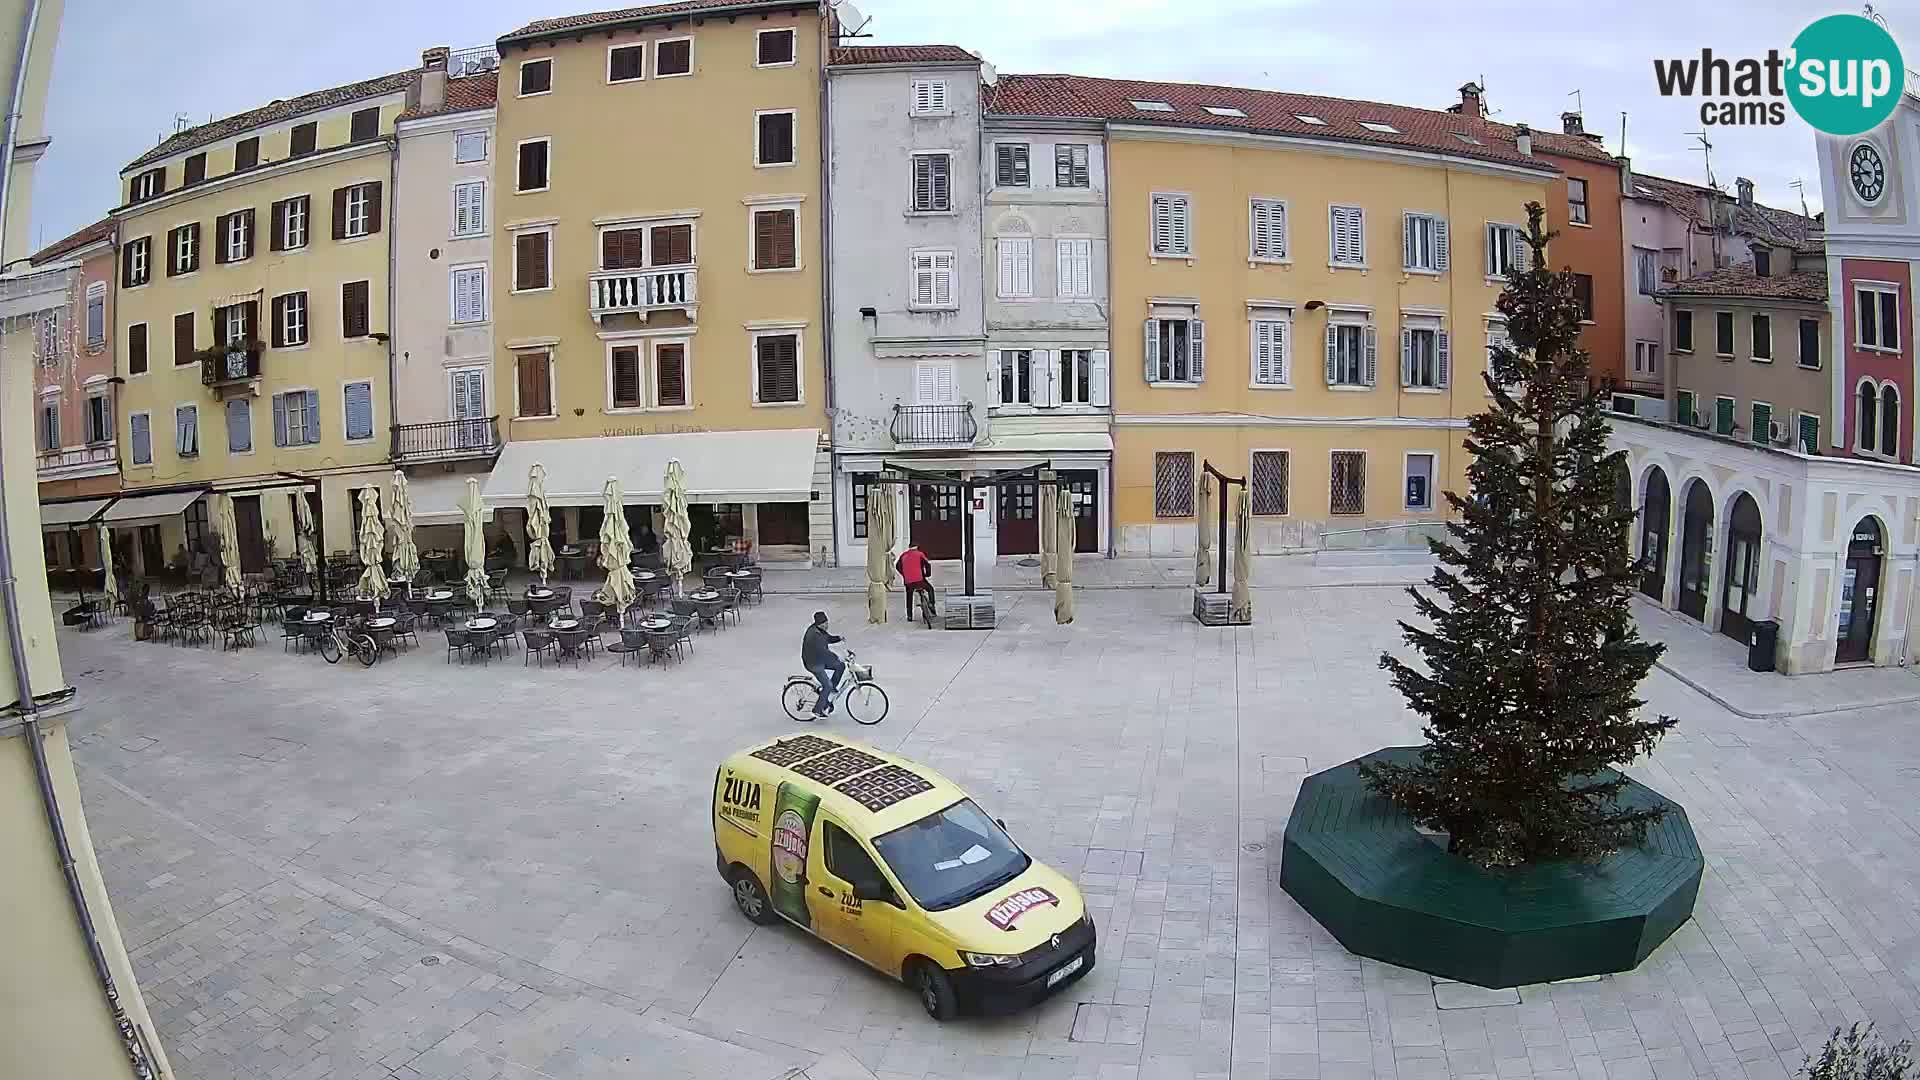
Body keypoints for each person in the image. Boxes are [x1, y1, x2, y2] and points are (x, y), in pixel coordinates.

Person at [800, 610, 844, 718]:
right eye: (823, 624)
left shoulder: (820, 630)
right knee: (827, 685)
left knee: (840, 665)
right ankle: (817, 710)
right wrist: (835, 656)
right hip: (813, 663)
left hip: (819, 659)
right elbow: (823, 652)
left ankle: (830, 689)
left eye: (826, 623)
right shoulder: (814, 635)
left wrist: (838, 638)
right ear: (818, 624)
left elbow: (827, 638)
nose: (826, 626)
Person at [896, 543, 935, 621]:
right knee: (930, 589)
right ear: (917, 547)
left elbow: (897, 566)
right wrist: (927, 574)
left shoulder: (903, 555)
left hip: (908, 581)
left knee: (909, 596)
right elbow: (928, 564)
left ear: (909, 547)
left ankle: (909, 616)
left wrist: (904, 574)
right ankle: (931, 604)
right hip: (919, 580)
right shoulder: (920, 554)